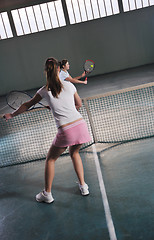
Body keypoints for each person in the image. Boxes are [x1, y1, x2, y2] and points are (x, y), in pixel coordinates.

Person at [4, 57, 91, 204]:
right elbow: (79, 104)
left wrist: (12, 114)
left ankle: (47, 194)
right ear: (59, 69)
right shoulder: (69, 85)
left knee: (50, 159)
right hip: (81, 126)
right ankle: (84, 187)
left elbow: (27, 105)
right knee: (74, 153)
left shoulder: (44, 91)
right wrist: (63, 108)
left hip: (66, 131)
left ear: (46, 72)